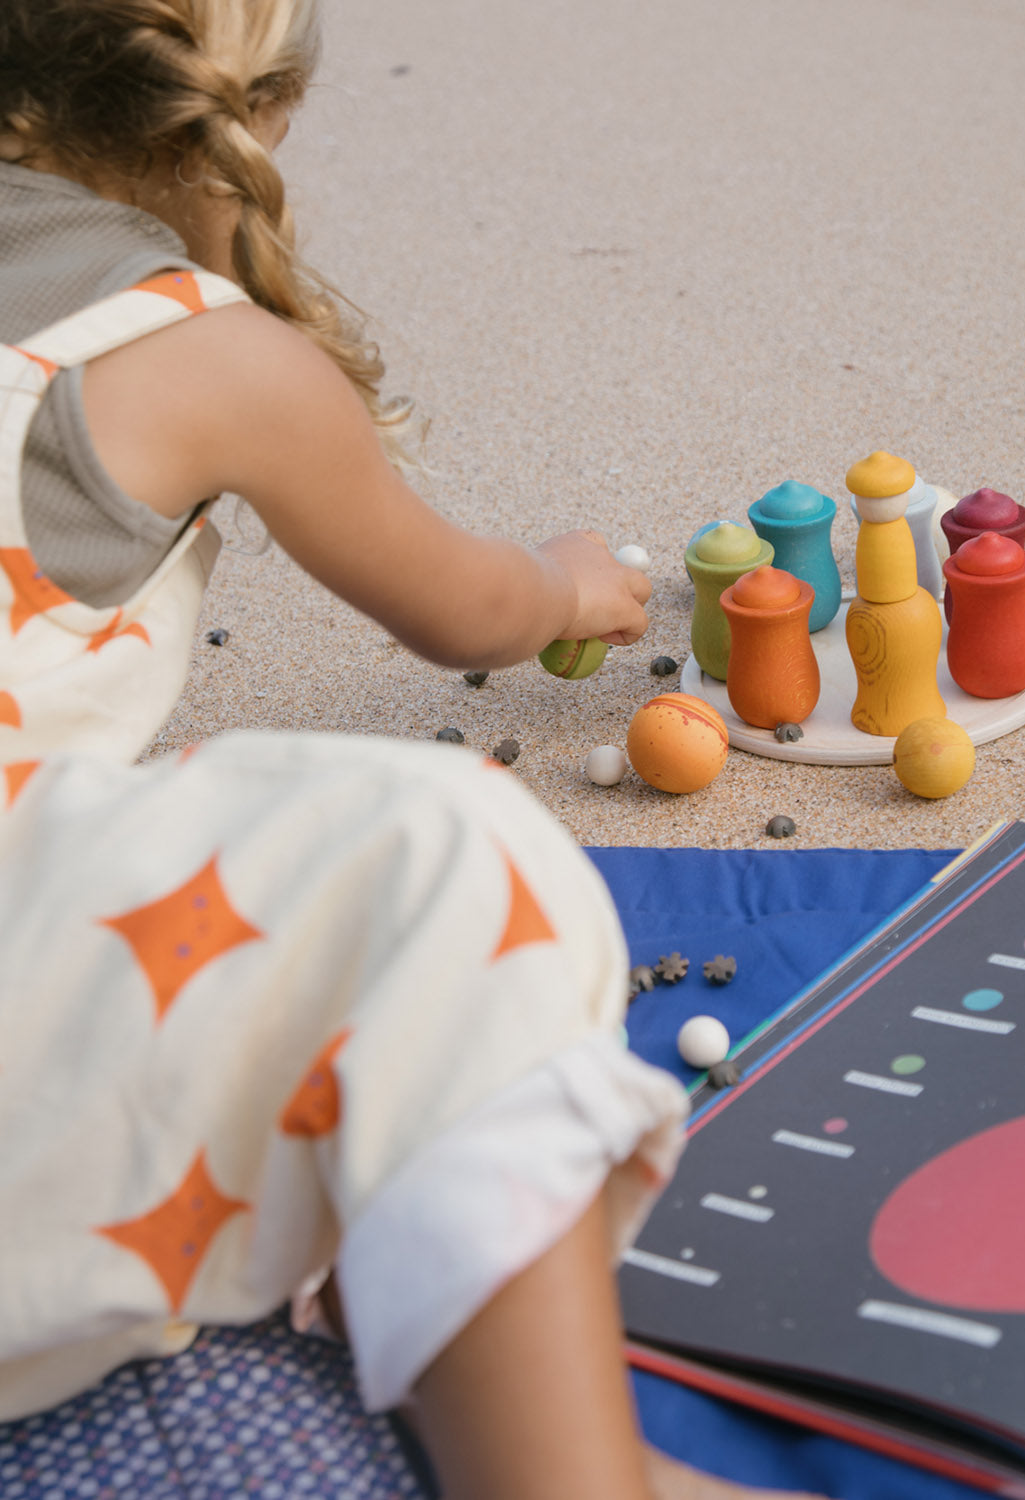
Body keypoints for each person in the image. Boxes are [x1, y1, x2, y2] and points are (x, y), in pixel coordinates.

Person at [0, 4, 823, 1498]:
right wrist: (566, 585)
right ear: (254, 107)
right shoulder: (206, 353)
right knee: (438, 859)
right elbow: (464, 611)